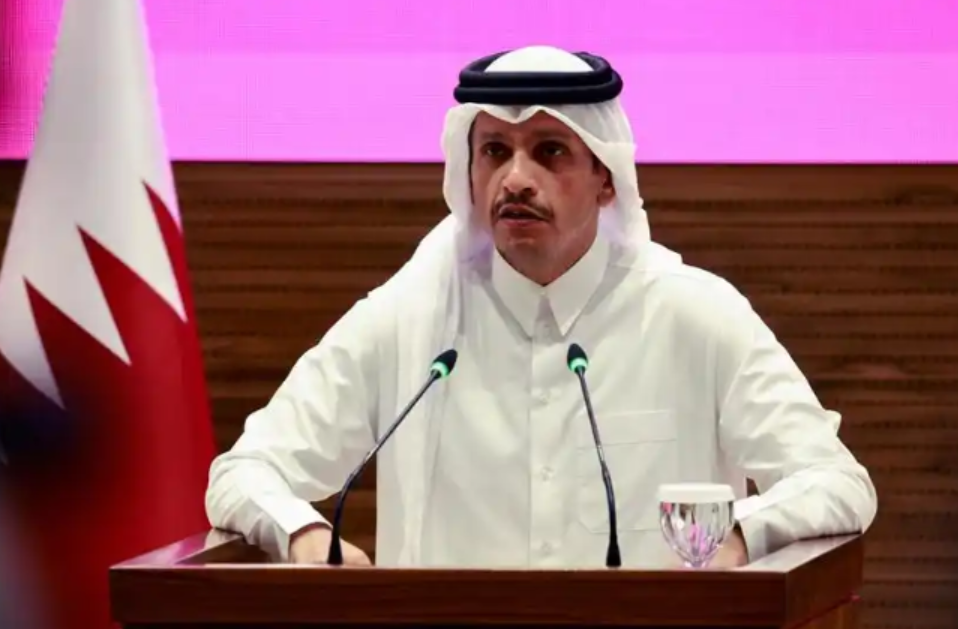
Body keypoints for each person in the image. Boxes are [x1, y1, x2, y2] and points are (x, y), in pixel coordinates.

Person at [204, 46, 878, 569]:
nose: (517, 178)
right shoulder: (408, 320)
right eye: (495, 152)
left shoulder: (694, 315)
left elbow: (838, 481)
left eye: (550, 151)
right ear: (470, 175)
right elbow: (243, 472)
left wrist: (739, 534)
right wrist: (304, 534)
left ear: (606, 179)